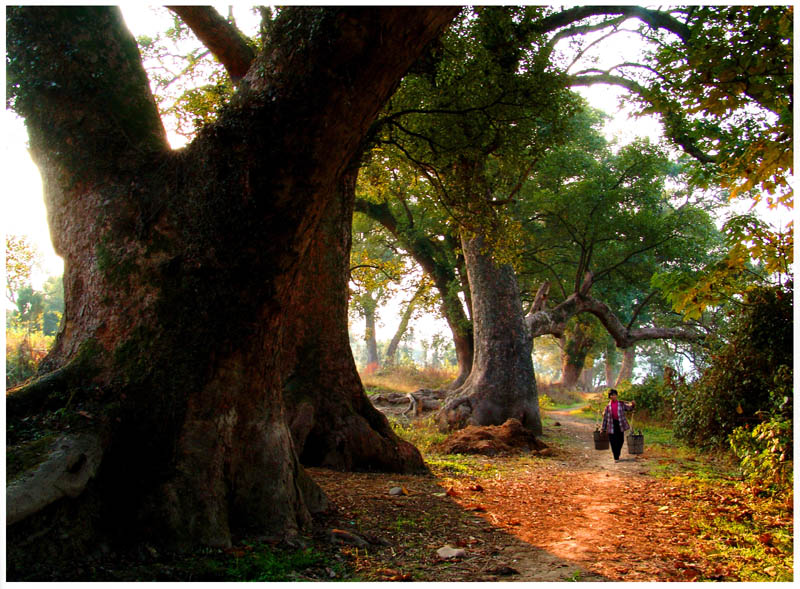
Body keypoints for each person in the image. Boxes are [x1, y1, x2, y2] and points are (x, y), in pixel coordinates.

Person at [601, 389, 635, 462]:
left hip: (619, 424)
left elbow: (629, 408)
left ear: (617, 395)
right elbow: (605, 418)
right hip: (611, 425)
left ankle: (618, 453)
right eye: (612, 395)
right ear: (609, 397)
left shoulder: (621, 404)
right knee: (613, 441)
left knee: (621, 440)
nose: (613, 396)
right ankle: (616, 457)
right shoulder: (607, 407)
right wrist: (603, 428)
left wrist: (633, 404)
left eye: (615, 395)